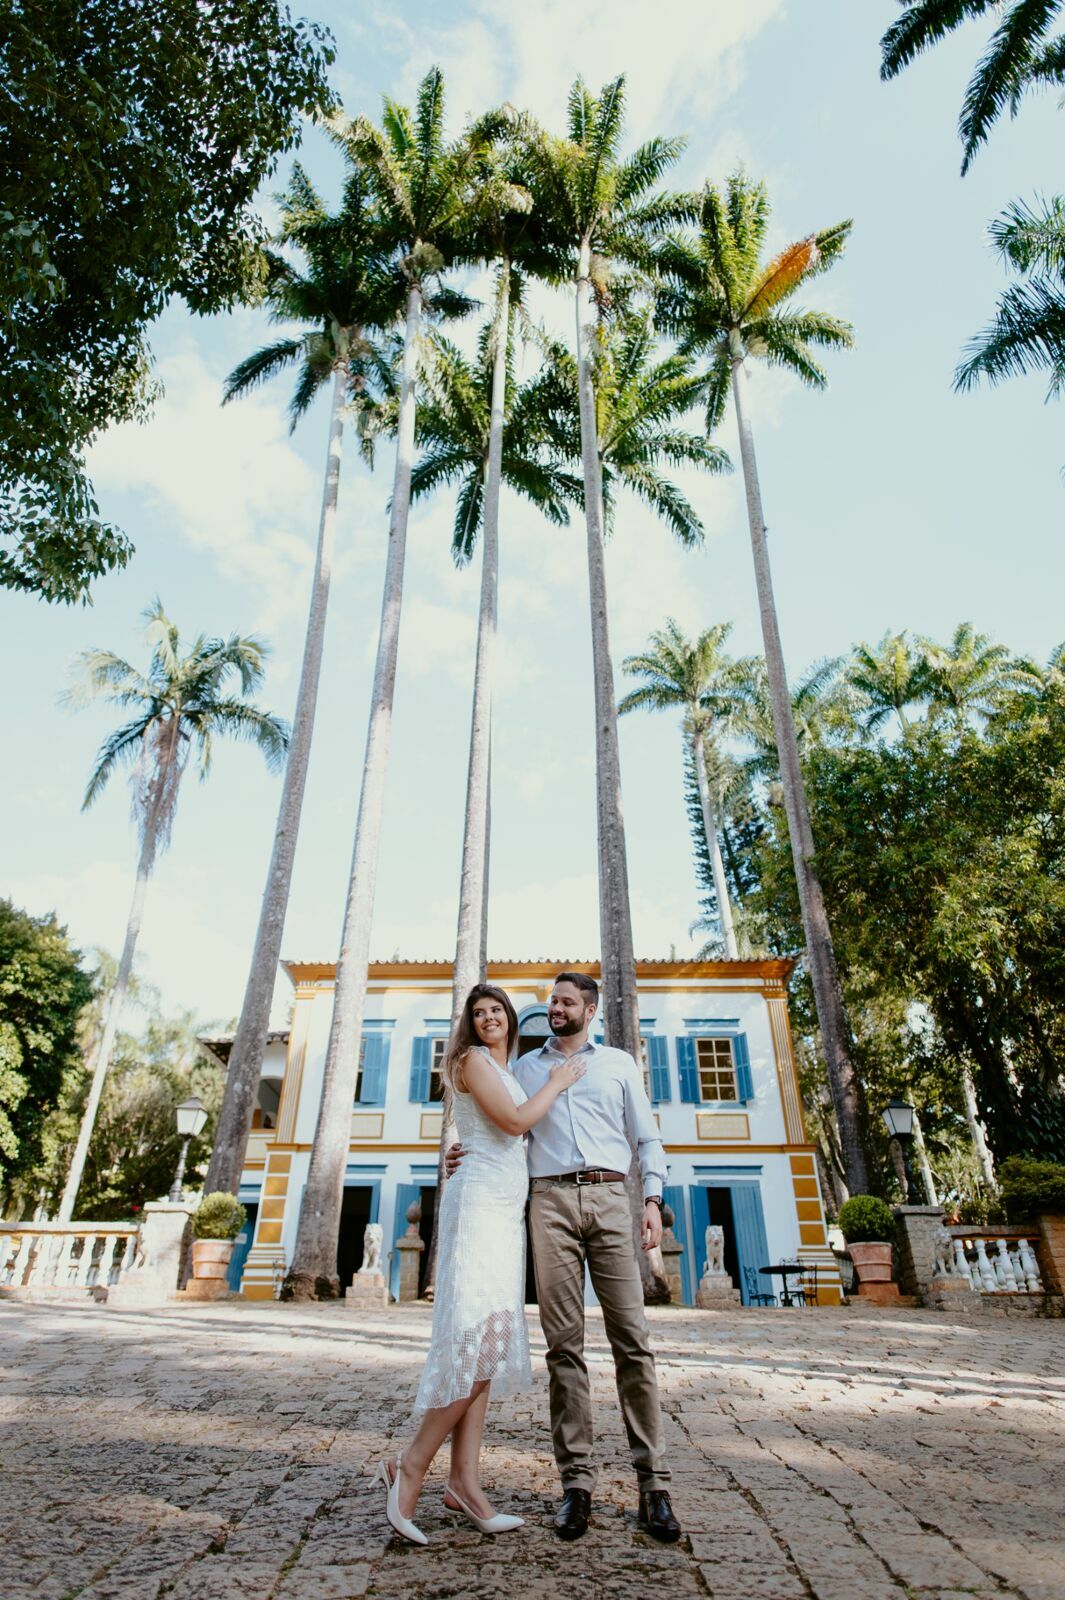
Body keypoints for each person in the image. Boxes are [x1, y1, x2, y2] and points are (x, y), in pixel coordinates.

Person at [447, 970, 682, 1545]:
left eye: (565, 1001)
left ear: (590, 1009)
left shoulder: (619, 1064)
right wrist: (463, 1149)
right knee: (563, 1349)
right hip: (547, 1201)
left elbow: (647, 1137)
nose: (553, 1007)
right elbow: (502, 1122)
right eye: (551, 1000)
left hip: (609, 1198)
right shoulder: (525, 1068)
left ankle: (654, 1485)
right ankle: (576, 1486)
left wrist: (651, 1199)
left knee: (633, 1340)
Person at [373, 982, 585, 1546]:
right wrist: (561, 1083)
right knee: (477, 1340)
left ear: (511, 1019)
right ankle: (410, 1467)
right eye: (479, 1012)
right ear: (469, 1023)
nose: (489, 1017)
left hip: (502, 1208)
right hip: (482, 1210)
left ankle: (465, 1482)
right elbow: (516, 1124)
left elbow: (495, 1127)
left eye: (497, 1010)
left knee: (486, 1342)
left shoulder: (501, 1065)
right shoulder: (471, 1058)